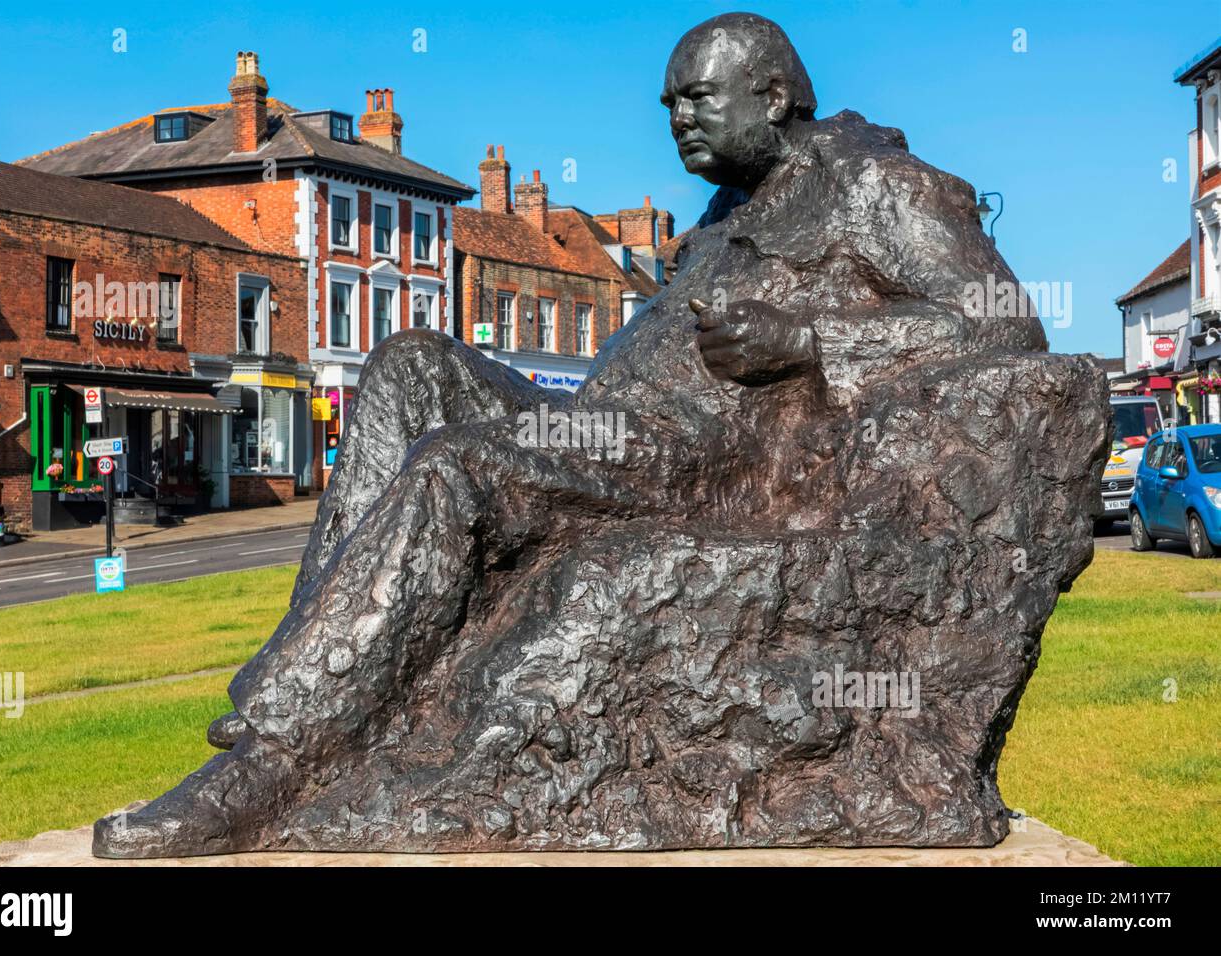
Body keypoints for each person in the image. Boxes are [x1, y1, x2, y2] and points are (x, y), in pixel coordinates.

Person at [94, 13, 1068, 857]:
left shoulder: (880, 185)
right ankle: (303, 674)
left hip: (696, 458)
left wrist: (805, 338)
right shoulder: (733, 204)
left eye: (696, 98)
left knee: (456, 469)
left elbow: (995, 324)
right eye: (667, 103)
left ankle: (269, 762)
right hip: (603, 427)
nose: (677, 119)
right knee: (408, 366)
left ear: (774, 97)